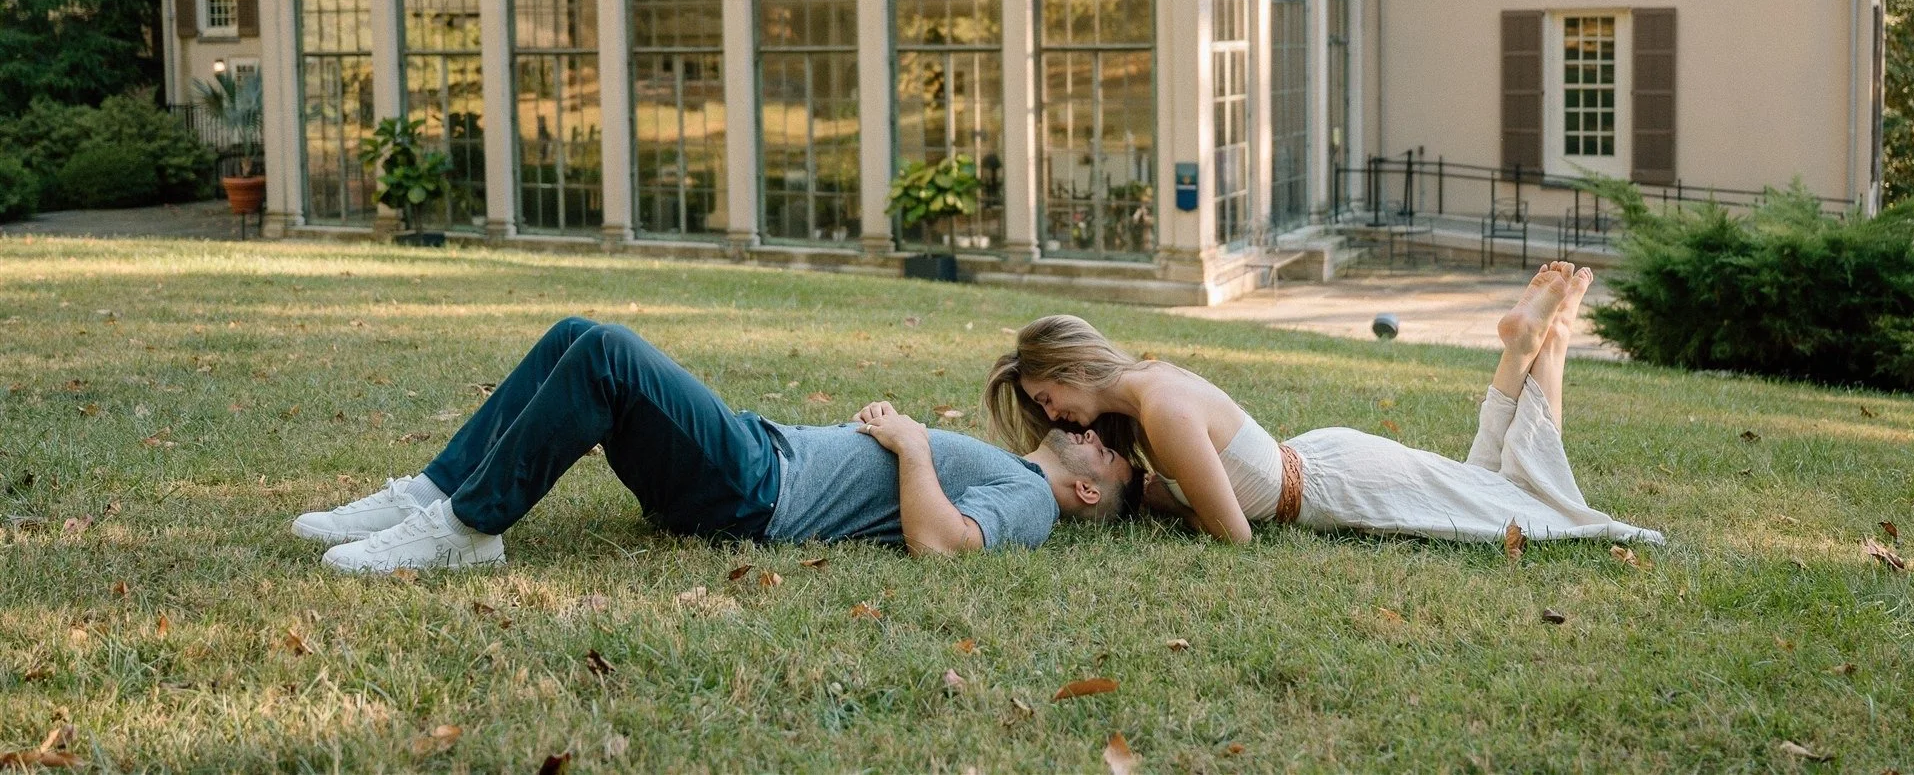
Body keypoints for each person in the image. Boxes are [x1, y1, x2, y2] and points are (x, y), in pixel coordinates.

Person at [293, 316, 1133, 574]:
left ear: (1090, 491)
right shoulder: (1021, 468)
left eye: (1108, 452)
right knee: (575, 335)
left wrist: (912, 444)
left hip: (758, 492)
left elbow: (944, 549)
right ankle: (429, 495)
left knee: (608, 354)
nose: (1091, 436)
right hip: (755, 456)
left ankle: (467, 528)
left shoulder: (1032, 502)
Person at [982, 262, 1663, 548]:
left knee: (1519, 508)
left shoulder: (1160, 408)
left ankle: (1546, 345)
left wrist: (1179, 517)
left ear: (1072, 371)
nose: (1060, 419)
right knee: (1483, 488)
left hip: (1337, 482)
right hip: (1325, 462)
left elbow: (1235, 534)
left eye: (1050, 399)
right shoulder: (1150, 388)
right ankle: (1533, 350)